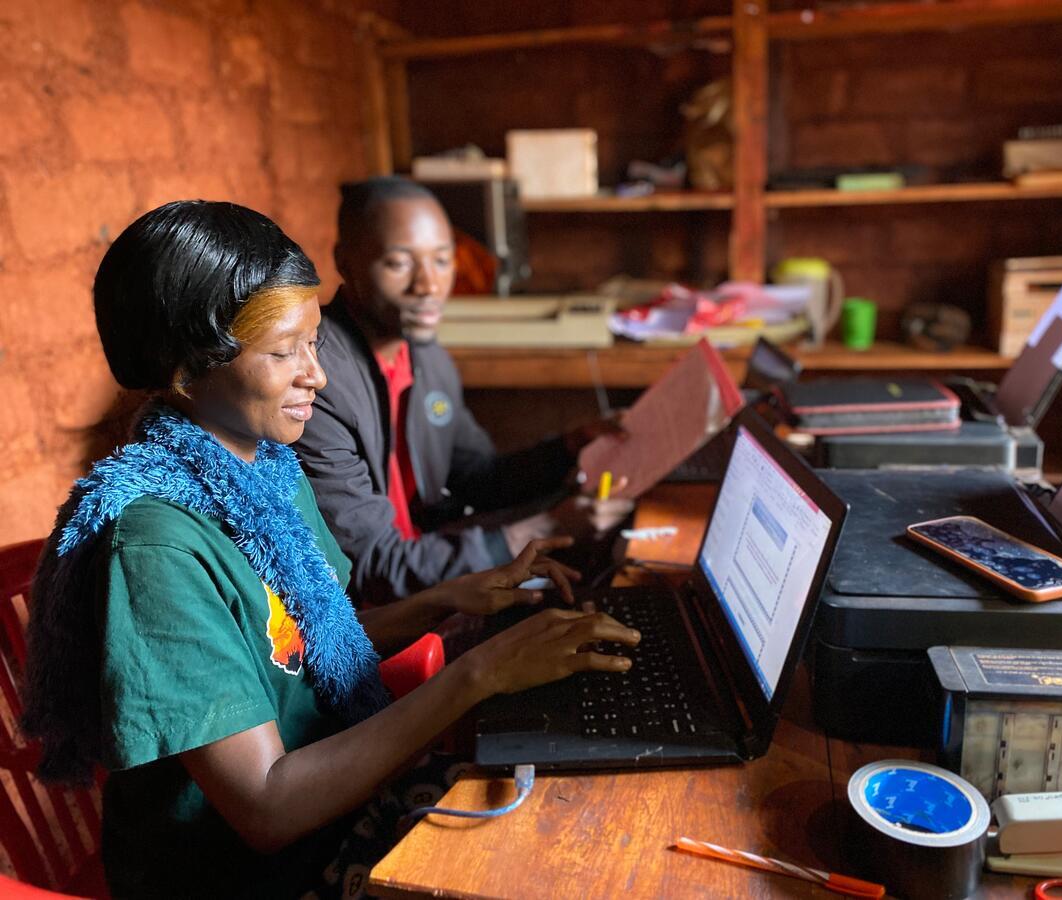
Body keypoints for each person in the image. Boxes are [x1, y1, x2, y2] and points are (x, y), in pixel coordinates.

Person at [20, 200, 639, 900]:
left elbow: (295, 646)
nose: (315, 374)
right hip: (248, 877)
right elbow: (266, 806)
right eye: (284, 351)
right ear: (187, 372)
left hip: (330, 814)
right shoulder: (157, 550)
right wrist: (478, 675)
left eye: (314, 342)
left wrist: (448, 598)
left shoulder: (265, 469)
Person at [293, 178, 625, 606]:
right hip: (374, 614)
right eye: (399, 263)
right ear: (345, 262)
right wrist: (541, 530)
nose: (429, 285)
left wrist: (569, 446)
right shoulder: (315, 380)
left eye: (443, 260)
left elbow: (478, 478)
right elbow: (372, 566)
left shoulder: (425, 357)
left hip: (432, 569)